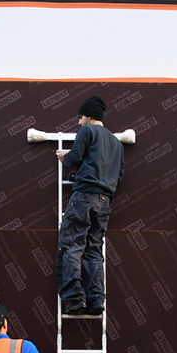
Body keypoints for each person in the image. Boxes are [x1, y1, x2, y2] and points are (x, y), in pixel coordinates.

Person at [54, 95, 125, 316]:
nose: (78, 122)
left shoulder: (87, 132)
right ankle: (96, 300)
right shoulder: (116, 143)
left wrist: (64, 157)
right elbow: (119, 175)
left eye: (80, 117)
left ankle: (75, 299)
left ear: (89, 115)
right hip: (105, 202)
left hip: (84, 196)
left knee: (72, 246)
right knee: (94, 250)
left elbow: (75, 159)